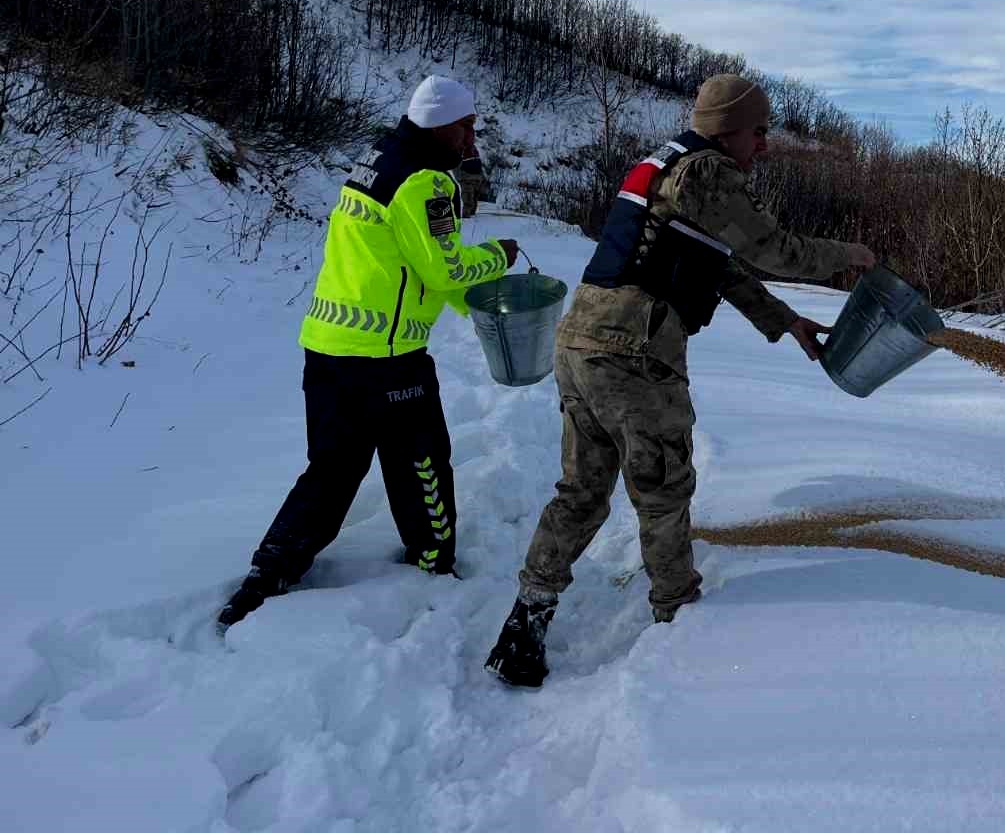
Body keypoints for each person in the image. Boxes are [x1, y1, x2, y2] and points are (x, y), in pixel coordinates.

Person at [484, 73, 875, 687]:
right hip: (636, 350)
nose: (764, 146)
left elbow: (721, 268)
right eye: (759, 132)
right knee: (663, 487)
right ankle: (680, 625)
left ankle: (526, 620)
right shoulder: (709, 173)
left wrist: (786, 321)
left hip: (583, 339)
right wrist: (848, 255)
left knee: (583, 490)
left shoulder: (666, 168)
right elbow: (775, 250)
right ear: (728, 131)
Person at [217, 75, 516, 629]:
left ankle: (268, 573)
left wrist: (470, 308)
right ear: (442, 124)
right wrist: (498, 256)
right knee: (421, 459)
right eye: (467, 127)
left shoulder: (375, 160)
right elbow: (444, 266)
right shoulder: (424, 183)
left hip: (327, 347)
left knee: (330, 469)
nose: (471, 138)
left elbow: (407, 260)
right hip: (389, 357)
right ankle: (433, 560)